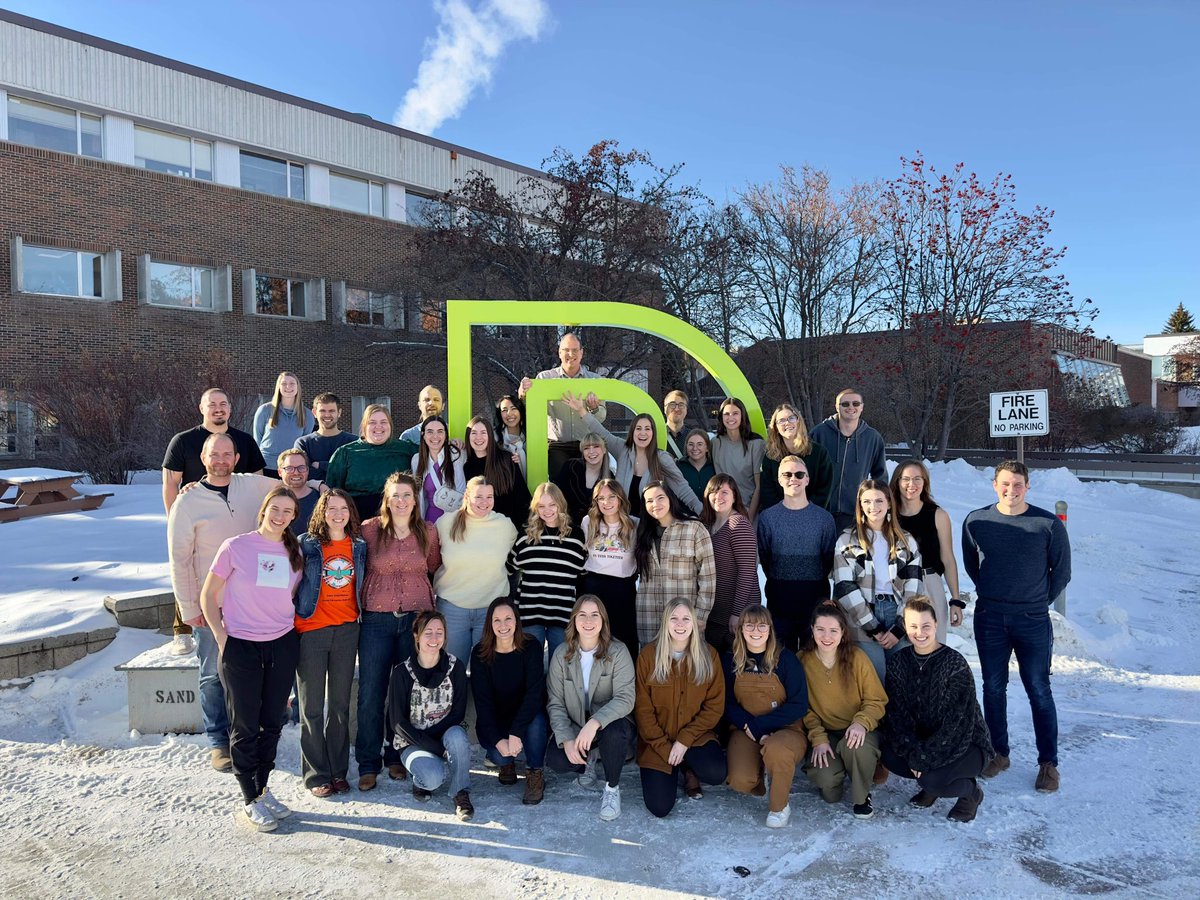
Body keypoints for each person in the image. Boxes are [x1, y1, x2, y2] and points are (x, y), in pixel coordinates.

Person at [167, 433, 275, 771]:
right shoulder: (188, 502)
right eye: (215, 455)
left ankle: (248, 732)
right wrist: (188, 608)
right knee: (214, 673)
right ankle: (218, 741)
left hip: (252, 603)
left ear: (237, 457)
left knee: (251, 672)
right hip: (212, 603)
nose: (221, 460)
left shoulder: (253, 487)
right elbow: (179, 559)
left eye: (227, 454)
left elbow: (290, 483)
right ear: (203, 458)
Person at [962, 460, 1071, 793]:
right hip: (990, 617)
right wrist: (994, 594)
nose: (1011, 490)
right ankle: (999, 752)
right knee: (993, 688)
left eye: (1018, 484)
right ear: (995, 485)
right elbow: (972, 565)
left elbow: (1062, 572)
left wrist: (1035, 601)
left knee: (1038, 690)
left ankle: (1048, 764)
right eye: (1005, 484)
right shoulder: (977, 521)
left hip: (1033, 620)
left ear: (1028, 486)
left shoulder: (1047, 524)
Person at [198, 487, 303, 832]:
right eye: (275, 508)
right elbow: (208, 594)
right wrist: (220, 634)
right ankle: (249, 798)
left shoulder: (295, 551)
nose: (280, 515)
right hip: (241, 645)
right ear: (263, 510)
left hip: (282, 643)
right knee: (244, 724)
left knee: (272, 720)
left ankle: (263, 788)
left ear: (293, 517)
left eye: (288, 511)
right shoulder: (236, 547)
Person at [162, 387, 265, 654]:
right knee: (190, 568)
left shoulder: (244, 441)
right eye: (212, 404)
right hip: (195, 519)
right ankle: (182, 629)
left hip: (236, 526)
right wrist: (174, 519)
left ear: (230, 408)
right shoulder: (183, 441)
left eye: (223, 404)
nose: (218, 409)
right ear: (202, 408)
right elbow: (170, 483)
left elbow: (264, 485)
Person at [356, 473, 441, 791]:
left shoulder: (428, 532)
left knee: (405, 693)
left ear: (415, 499)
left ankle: (397, 756)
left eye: (407, 495)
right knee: (370, 693)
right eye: (395, 496)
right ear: (387, 499)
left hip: (415, 623)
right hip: (377, 620)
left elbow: (432, 566)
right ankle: (367, 762)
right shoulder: (370, 530)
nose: (402, 501)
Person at [882, 598, 994, 823]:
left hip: (966, 744)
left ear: (936, 625)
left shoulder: (954, 664)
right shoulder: (898, 663)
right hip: (924, 742)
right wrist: (914, 752)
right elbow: (898, 716)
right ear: (905, 626)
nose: (920, 632)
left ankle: (970, 793)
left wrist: (922, 758)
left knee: (931, 779)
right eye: (913, 626)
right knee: (890, 756)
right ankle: (931, 783)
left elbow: (958, 724)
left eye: (926, 626)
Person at [294, 488, 364, 797]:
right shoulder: (306, 545)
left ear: (350, 513)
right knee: (311, 706)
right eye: (331, 508)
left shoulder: (359, 546)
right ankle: (315, 774)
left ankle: (338, 771)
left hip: (347, 630)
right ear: (321, 513)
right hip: (312, 630)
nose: (337, 514)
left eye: (343, 509)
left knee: (338, 706)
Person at [545, 595, 636, 822]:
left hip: (609, 726)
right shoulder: (560, 654)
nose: (588, 620)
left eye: (595, 614)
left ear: (603, 620)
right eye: (582, 614)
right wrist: (566, 739)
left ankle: (612, 789)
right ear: (574, 620)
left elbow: (626, 698)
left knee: (615, 733)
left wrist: (594, 723)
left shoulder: (618, 652)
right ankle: (588, 761)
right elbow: (555, 702)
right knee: (557, 759)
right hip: (577, 727)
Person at [634, 599, 726, 817]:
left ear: (694, 623)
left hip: (695, 739)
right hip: (657, 743)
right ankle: (676, 767)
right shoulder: (648, 656)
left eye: (686, 618)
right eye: (674, 618)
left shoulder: (709, 655)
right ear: (665, 622)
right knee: (659, 807)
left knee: (716, 773)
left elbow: (714, 706)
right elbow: (643, 711)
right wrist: (665, 748)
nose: (680, 624)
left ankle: (687, 767)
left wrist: (684, 740)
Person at [723, 605, 810, 828]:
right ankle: (760, 772)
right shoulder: (730, 660)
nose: (756, 630)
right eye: (749, 625)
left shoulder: (786, 659)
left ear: (770, 629)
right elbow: (727, 704)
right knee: (741, 780)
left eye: (762, 625)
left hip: (786, 730)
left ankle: (779, 807)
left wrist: (762, 726)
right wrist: (751, 727)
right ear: (740, 629)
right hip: (746, 729)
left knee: (777, 749)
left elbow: (799, 705)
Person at [799, 602, 887, 819]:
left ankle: (862, 794)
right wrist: (818, 738)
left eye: (833, 631)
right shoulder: (802, 660)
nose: (826, 636)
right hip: (826, 734)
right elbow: (802, 707)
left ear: (842, 633)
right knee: (828, 787)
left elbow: (876, 700)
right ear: (812, 630)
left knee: (854, 746)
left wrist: (861, 723)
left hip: (858, 730)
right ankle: (839, 774)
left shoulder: (856, 658)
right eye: (820, 629)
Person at [386, 610, 474, 821]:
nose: (434, 638)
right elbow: (397, 722)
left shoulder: (455, 667)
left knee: (458, 736)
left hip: (445, 735)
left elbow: (458, 713)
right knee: (433, 778)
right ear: (416, 636)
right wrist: (434, 748)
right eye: (428, 632)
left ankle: (460, 793)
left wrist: (438, 741)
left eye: (439, 632)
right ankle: (421, 780)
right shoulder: (402, 673)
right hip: (412, 742)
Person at [833, 479, 923, 683]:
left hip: (898, 612)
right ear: (860, 505)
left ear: (889, 503)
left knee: (902, 679)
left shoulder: (905, 540)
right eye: (867, 502)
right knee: (875, 678)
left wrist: (901, 626)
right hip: (862, 616)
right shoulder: (846, 540)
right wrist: (873, 627)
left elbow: (914, 585)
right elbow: (845, 587)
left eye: (879, 501)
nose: (873, 507)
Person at [564, 392, 701, 517]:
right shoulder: (622, 449)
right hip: (624, 522)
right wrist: (581, 410)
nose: (642, 433)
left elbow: (682, 488)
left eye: (647, 429)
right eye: (638, 428)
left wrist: (702, 511)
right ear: (632, 432)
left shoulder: (661, 457)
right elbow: (601, 432)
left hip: (650, 524)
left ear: (653, 433)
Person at [470, 598, 549, 805]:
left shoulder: (531, 646)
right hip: (495, 721)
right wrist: (498, 739)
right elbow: (483, 704)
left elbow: (534, 695)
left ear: (517, 621)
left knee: (538, 719)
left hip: (527, 718)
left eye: (508, 619)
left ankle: (535, 772)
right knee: (501, 756)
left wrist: (515, 732)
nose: (503, 625)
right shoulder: (479, 654)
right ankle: (508, 764)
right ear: (490, 624)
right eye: (497, 620)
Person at [433, 476, 519, 663]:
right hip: (452, 608)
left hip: (491, 610)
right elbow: (431, 558)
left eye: (490, 497)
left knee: (489, 670)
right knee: (452, 669)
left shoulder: (505, 526)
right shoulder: (445, 523)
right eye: (479, 497)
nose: (485, 502)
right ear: (466, 496)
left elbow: (515, 561)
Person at [756, 456, 838, 652]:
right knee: (782, 657)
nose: (794, 478)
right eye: (788, 474)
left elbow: (828, 558)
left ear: (807, 479)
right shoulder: (768, 517)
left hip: (815, 597)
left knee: (814, 657)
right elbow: (766, 558)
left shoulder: (824, 519)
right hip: (780, 597)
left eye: (799, 474)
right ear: (779, 479)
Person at [508, 482, 587, 663]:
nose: (547, 510)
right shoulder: (526, 535)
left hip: (563, 611)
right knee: (530, 664)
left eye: (552, 504)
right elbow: (510, 566)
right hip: (530, 611)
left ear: (561, 504)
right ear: (535, 508)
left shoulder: (576, 536)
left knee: (560, 665)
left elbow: (582, 572)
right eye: (541, 506)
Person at [634, 481, 717, 645]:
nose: (655, 504)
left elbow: (708, 578)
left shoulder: (694, 529)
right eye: (649, 501)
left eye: (660, 498)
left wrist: (701, 615)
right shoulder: (641, 533)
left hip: (683, 620)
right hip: (648, 618)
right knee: (650, 668)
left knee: (686, 667)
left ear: (670, 498)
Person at [519, 331, 608, 479]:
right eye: (566, 350)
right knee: (560, 485)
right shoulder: (544, 378)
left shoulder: (595, 380)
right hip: (557, 446)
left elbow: (602, 417)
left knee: (588, 485)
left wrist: (594, 408)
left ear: (581, 353)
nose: (570, 354)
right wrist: (523, 394)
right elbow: (531, 409)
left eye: (574, 350)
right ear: (559, 352)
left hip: (586, 444)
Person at [892, 459, 964, 641]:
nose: (911, 484)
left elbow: (948, 559)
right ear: (897, 482)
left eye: (918, 479)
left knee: (932, 642)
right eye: (906, 479)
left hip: (929, 582)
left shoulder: (938, 515)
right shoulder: (889, 515)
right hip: (897, 584)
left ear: (925, 483)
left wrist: (955, 599)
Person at [809, 388, 887, 531]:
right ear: (837, 407)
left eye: (855, 403)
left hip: (855, 513)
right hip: (820, 511)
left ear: (862, 407)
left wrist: (876, 506)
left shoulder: (872, 438)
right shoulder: (818, 434)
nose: (851, 407)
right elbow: (805, 471)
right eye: (845, 404)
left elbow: (880, 477)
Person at [579, 479, 639, 662]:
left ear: (620, 498)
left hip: (622, 589)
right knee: (593, 638)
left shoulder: (634, 524)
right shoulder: (588, 522)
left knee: (623, 639)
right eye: (601, 498)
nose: (607, 502)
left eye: (612, 497)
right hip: (593, 586)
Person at [325, 404, 418, 522]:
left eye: (383, 422)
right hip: (356, 521)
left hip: (398, 519)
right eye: (372, 422)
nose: (378, 427)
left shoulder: (407, 449)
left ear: (390, 425)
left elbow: (433, 456)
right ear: (364, 426)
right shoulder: (345, 453)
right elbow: (333, 492)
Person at [700, 474, 760, 651]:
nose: (719, 497)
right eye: (714, 492)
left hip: (737, 614)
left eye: (725, 492)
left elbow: (747, 572)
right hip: (716, 614)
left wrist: (737, 613)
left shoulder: (738, 524)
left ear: (734, 496)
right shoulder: (707, 524)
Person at [759, 403, 834, 513]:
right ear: (775, 427)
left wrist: (805, 512)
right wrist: (783, 514)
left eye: (791, 418)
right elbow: (768, 492)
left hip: (812, 514)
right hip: (780, 516)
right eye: (781, 420)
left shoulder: (819, 453)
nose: (787, 423)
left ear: (799, 421)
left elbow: (824, 489)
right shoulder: (771, 456)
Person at [463, 415, 531, 529]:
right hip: (480, 528)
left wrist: (522, 529)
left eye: (483, 432)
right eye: (474, 433)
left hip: (509, 526)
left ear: (490, 435)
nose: (478, 437)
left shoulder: (505, 459)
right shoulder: (467, 466)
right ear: (468, 436)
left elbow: (522, 496)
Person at [710, 397, 766, 519]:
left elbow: (759, 486)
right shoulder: (715, 443)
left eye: (735, 413)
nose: (731, 418)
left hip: (749, 510)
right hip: (722, 511)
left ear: (743, 416)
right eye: (726, 414)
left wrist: (749, 518)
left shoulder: (756, 443)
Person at [253, 372, 314, 477]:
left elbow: (304, 444)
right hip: (267, 467)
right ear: (278, 387)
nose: (288, 386)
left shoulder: (307, 414)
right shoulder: (265, 410)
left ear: (297, 387)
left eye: (292, 383)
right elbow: (257, 440)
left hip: (292, 469)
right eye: (284, 383)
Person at [411, 416, 465, 525]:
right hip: (429, 518)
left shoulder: (456, 454)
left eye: (440, 431)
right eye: (430, 432)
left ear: (445, 436)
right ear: (423, 435)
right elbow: (419, 496)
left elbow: (461, 489)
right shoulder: (417, 460)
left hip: (454, 519)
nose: (435, 436)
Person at [295, 392, 356, 484]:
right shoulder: (303, 443)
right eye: (322, 411)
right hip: (314, 496)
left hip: (346, 497)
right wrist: (339, 468)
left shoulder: (353, 442)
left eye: (331, 411)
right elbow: (303, 475)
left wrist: (321, 465)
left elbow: (353, 474)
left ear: (339, 413)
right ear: (314, 413)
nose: (327, 415)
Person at [553, 431, 613, 524]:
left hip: (594, 527)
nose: (591, 451)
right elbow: (557, 496)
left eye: (596, 446)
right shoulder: (571, 466)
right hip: (567, 525)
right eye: (586, 448)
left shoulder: (610, 477)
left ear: (604, 450)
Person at [277, 448, 320, 537]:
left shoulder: (321, 499)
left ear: (307, 470)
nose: (296, 472)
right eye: (289, 468)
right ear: (280, 472)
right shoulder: (272, 500)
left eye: (301, 468)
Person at [677, 428, 716, 502]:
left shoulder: (715, 467)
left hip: (711, 512)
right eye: (691, 444)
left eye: (700, 444)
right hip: (684, 513)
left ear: (707, 448)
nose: (695, 448)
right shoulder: (678, 467)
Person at [494, 394, 528, 477]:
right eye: (504, 410)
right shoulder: (494, 436)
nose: (509, 413)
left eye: (513, 408)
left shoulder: (530, 434)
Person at [662, 390, 691, 461]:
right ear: (665, 409)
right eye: (672, 404)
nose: (677, 408)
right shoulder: (655, 436)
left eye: (681, 405)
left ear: (686, 410)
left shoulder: (693, 437)